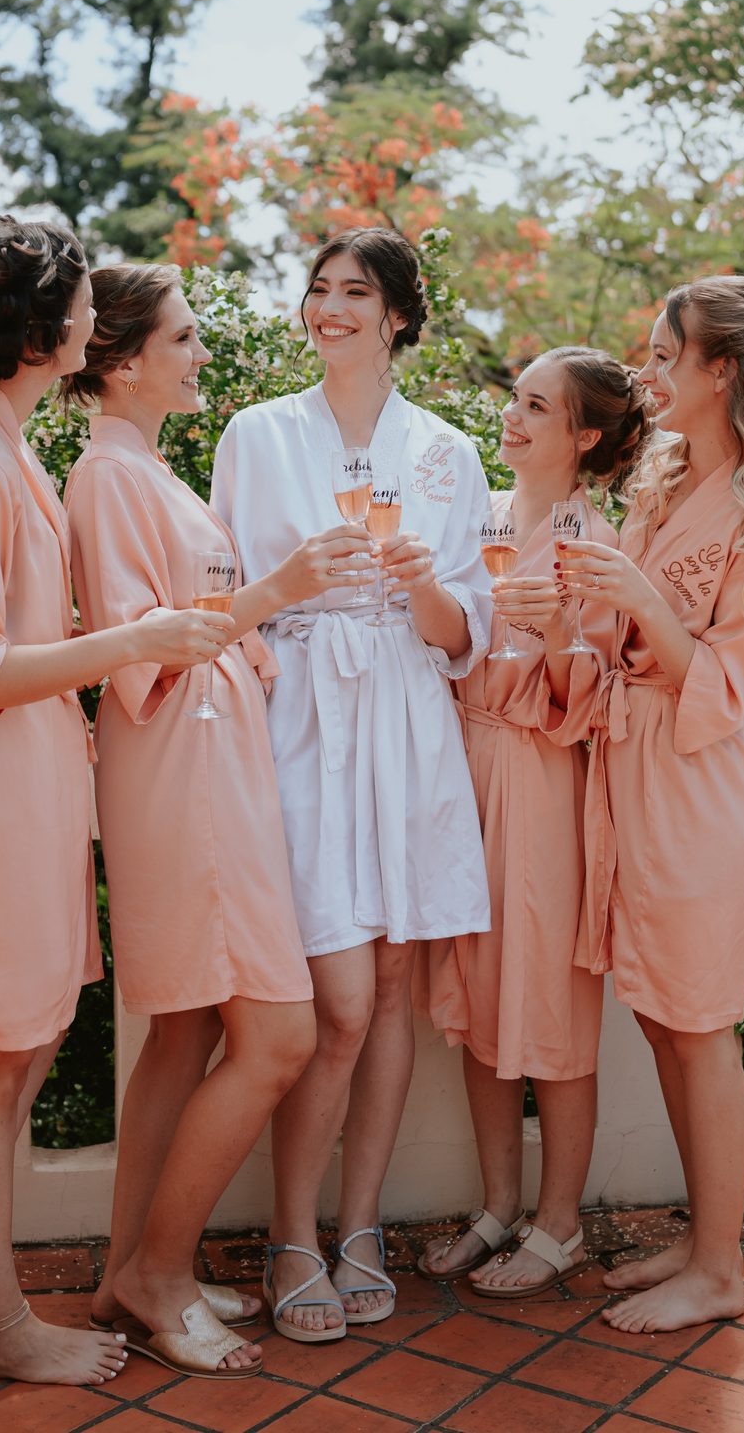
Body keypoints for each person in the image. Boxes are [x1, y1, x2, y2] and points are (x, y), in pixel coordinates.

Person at [0, 217, 235, 1400]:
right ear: (40, 330)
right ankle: (0, 1326)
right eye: (78, 303)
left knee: (19, 1048)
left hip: (24, 787)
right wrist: (131, 639)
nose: (92, 318)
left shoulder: (0, 444)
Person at [210, 227, 493, 1342]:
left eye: (354, 293)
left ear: (399, 316)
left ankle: (360, 1226)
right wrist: (290, 600)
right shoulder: (257, 434)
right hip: (305, 716)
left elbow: (463, 632)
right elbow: (224, 587)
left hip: (408, 720)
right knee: (337, 1000)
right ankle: (292, 1236)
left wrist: (423, 586)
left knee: (392, 984)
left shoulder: (448, 452)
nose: (328, 309)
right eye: (318, 290)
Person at [557, 275, 744, 1334]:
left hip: (696, 781)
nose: (648, 374)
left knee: (700, 1023)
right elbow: (626, 640)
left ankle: (720, 1269)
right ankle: (700, 1238)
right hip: (633, 768)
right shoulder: (666, 484)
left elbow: (731, 682)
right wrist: (578, 609)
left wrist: (637, 602)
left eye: (665, 355)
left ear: (722, 369)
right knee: (662, 1017)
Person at [61, 265, 321, 1380]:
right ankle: (160, 1275)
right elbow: (142, 650)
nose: (202, 353)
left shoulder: (150, 473)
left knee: (185, 1033)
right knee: (281, 1038)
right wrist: (280, 590)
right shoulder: (107, 479)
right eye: (184, 338)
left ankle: (128, 1273)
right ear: (124, 365)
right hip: (188, 776)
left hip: (215, 766)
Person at [419, 347, 648, 1298]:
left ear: (584, 436)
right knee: (478, 995)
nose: (512, 417)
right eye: (515, 399)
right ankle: (498, 1205)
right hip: (462, 769)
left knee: (550, 1003)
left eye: (538, 407)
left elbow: (590, 701)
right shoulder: (480, 515)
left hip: (544, 779)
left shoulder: (595, 542)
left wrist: (554, 629)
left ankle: (561, 1224)